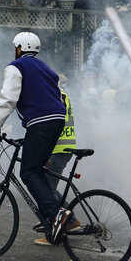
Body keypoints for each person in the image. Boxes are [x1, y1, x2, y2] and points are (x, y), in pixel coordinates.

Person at [0, 31, 71, 244]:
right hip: (57, 119)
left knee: (28, 172)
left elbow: (8, 98)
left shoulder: (16, 67)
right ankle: (60, 219)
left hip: (40, 122)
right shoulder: (47, 69)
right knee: (38, 170)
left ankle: (56, 213)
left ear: (19, 48)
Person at [33, 87, 81, 245]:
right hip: (62, 147)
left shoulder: (52, 93)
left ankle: (54, 233)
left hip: (58, 148)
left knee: (46, 190)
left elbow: (54, 123)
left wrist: (44, 151)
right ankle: (70, 220)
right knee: (50, 188)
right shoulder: (59, 92)